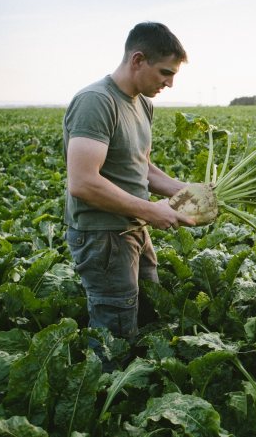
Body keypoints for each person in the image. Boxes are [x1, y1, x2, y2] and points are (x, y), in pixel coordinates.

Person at [63, 21, 198, 345]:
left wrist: (187, 191)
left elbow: (142, 167)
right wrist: (151, 211)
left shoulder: (142, 103)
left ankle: (144, 384)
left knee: (149, 311)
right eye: (165, 72)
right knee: (116, 328)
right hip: (103, 235)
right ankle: (108, 389)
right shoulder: (97, 101)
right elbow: (82, 182)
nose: (170, 83)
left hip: (134, 227)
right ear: (138, 60)